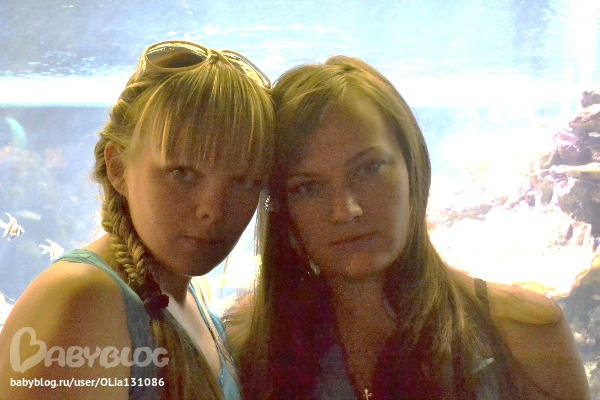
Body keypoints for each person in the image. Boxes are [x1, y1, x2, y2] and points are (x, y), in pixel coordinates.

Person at [225, 56, 591, 399]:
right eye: (308, 187)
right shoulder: (245, 348)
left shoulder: (527, 337)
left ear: (414, 169)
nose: (345, 210)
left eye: (369, 169)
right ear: (281, 207)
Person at [0, 40, 273, 400]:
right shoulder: (82, 300)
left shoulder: (186, 297)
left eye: (243, 181)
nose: (213, 209)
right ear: (117, 167)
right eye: (182, 173)